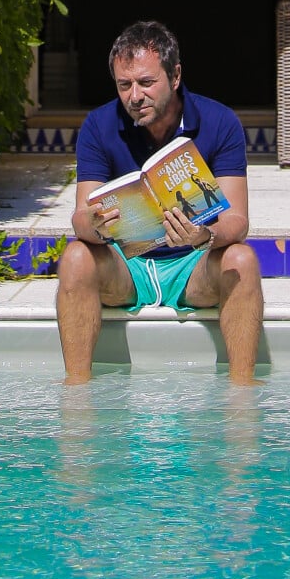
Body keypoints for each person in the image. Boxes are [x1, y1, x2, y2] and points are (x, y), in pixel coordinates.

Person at [56, 20, 264, 386]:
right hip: (127, 265)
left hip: (193, 264)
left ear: (176, 76)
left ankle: (242, 397)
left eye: (146, 83)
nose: (134, 96)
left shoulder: (220, 122)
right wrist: (95, 224)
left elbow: (237, 221)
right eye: (124, 85)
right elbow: (79, 218)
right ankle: (76, 396)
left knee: (241, 259)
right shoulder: (98, 125)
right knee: (75, 257)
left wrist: (202, 234)